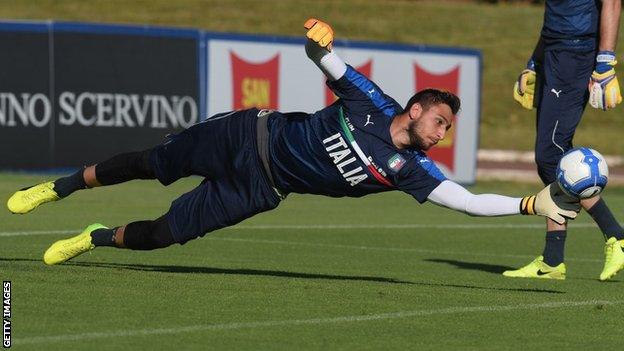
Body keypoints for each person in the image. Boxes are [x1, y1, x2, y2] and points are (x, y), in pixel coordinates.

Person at [7, 19, 579, 266]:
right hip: (244, 133)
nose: (444, 131)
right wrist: (318, 40)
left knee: (163, 236)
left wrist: (530, 204)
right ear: (415, 108)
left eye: (449, 127)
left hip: (261, 188)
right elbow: (324, 59)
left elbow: (472, 202)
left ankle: (96, 237)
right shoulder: (371, 102)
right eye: (441, 120)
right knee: (151, 163)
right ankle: (54, 190)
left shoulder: (412, 171)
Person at [506, 0, 624, 281]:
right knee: (550, 157)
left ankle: (616, 235)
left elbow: (613, 2)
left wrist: (606, 62)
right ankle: (552, 260)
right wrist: (534, 61)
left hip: (576, 53)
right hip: (554, 51)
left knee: (551, 154)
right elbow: (555, 14)